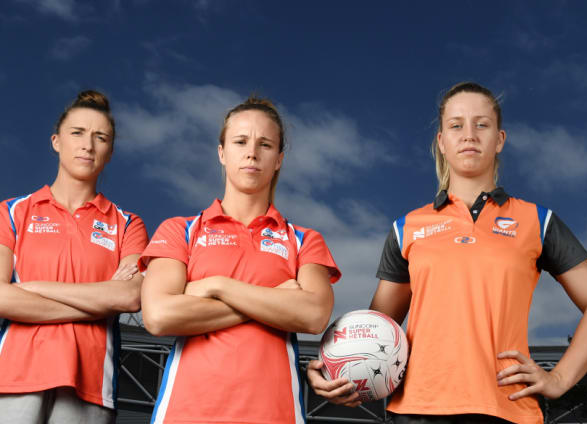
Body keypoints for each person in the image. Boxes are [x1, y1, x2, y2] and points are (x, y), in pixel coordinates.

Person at [307, 81, 587, 424]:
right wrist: (335, 369)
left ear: (500, 140)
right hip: (417, 409)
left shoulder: (537, 221)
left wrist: (560, 378)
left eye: (481, 124)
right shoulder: (407, 227)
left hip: (506, 407)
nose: (469, 134)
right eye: (456, 125)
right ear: (441, 141)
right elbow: (377, 327)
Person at [140, 95, 341, 424]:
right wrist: (275, 302)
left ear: (278, 159)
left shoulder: (304, 240)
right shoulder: (180, 230)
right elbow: (160, 316)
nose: (252, 152)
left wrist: (214, 285)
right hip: (186, 413)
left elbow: (313, 315)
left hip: (275, 415)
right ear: (222, 152)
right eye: (240, 141)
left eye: (265, 144)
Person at [0, 90, 148, 423]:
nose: (88, 145)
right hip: (12, 377)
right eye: (77, 133)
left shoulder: (127, 224)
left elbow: (129, 295)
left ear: (109, 151)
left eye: (101, 137)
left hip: (91, 384)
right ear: (56, 141)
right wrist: (98, 299)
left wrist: (31, 288)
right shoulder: (11, 212)